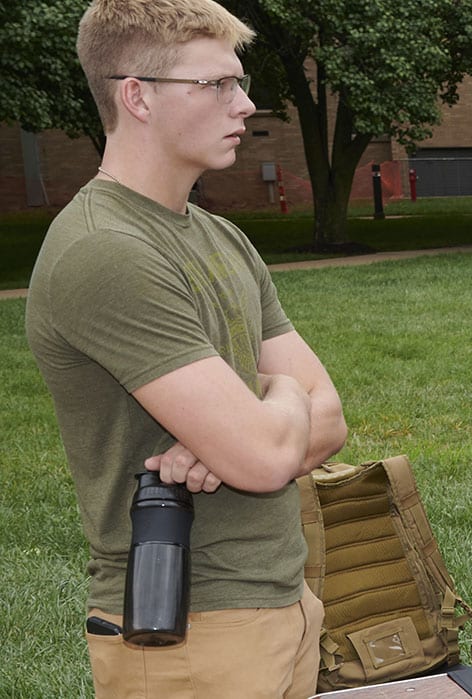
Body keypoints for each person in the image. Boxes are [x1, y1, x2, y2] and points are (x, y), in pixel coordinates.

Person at [27, 1, 348, 695]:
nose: (247, 103)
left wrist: (259, 425)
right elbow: (269, 454)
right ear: (136, 95)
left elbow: (332, 423)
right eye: (217, 85)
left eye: (240, 82)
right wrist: (280, 395)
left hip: (282, 604)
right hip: (188, 633)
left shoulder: (218, 236)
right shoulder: (107, 251)